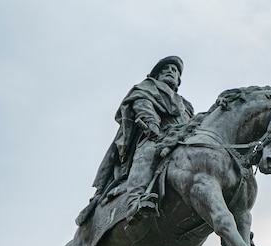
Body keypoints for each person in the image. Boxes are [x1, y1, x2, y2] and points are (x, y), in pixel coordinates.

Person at [79, 56, 194, 224]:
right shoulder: (146, 88)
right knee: (147, 153)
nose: (171, 72)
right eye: (166, 70)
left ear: (178, 80)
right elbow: (142, 106)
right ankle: (136, 200)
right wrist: (152, 126)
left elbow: (190, 123)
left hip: (179, 141)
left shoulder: (186, 105)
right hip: (155, 136)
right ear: (157, 75)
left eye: (174, 71)